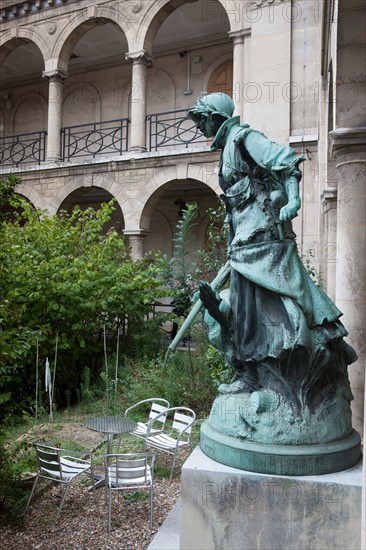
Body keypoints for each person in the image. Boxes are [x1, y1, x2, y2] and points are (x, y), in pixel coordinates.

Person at [187, 93, 356, 401]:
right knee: (245, 308)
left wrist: (294, 200)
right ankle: (251, 374)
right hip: (244, 240)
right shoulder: (228, 147)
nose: (199, 126)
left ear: (216, 117)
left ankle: (282, 363)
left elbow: (285, 159)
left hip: (263, 237)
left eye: (201, 119)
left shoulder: (243, 138)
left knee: (270, 299)